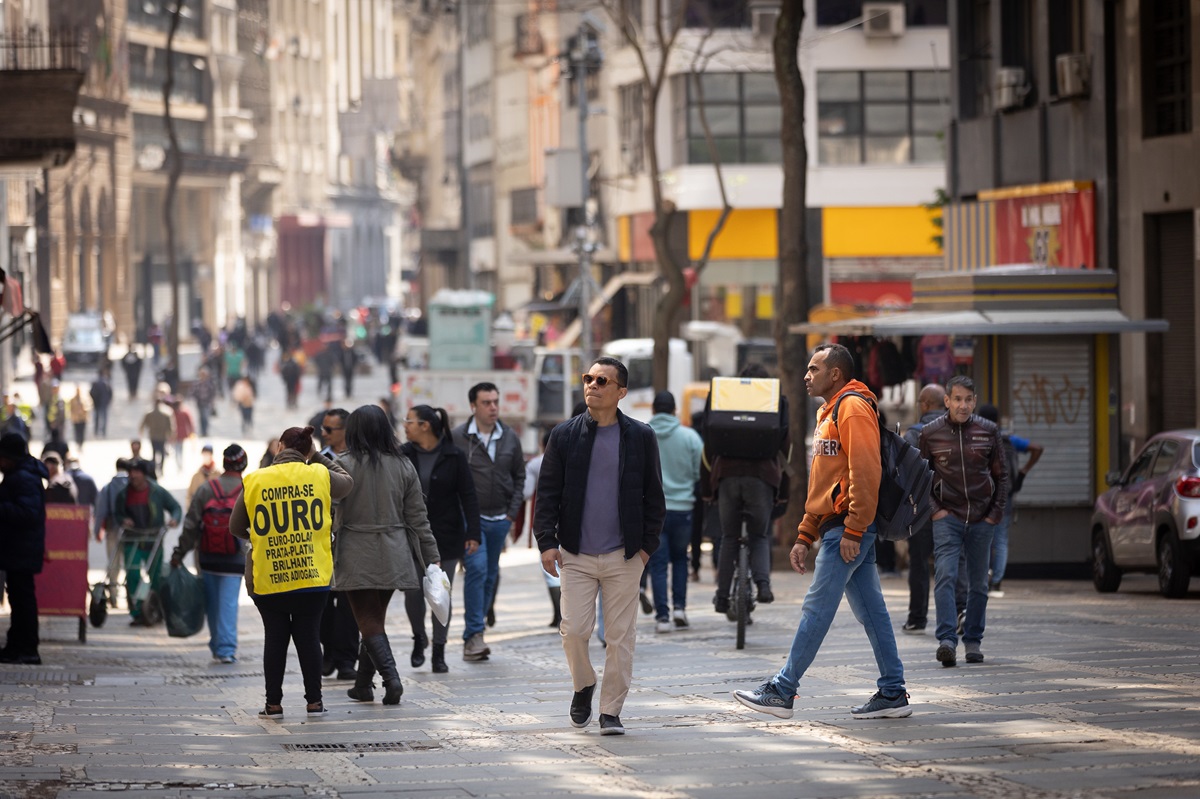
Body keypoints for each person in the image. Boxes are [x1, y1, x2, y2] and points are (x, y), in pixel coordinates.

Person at [733, 343, 910, 721]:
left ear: (835, 374)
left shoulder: (852, 407)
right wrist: (804, 534)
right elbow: (824, 480)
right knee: (873, 613)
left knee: (817, 608)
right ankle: (893, 691)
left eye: (814, 369)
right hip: (837, 526)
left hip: (847, 529)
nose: (805, 376)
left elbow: (866, 471)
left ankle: (782, 689)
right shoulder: (828, 412)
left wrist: (854, 527)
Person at [535, 356, 665, 736]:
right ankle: (583, 684)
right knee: (574, 630)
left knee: (620, 637)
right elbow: (547, 493)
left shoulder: (641, 436)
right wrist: (547, 542)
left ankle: (610, 710)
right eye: (589, 378)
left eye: (602, 381)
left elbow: (654, 498)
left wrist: (645, 550)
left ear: (621, 392)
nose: (592, 385)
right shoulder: (563, 435)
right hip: (575, 554)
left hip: (625, 555)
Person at [228, 426, 353, 718]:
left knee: (275, 639)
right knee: (309, 637)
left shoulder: (255, 480)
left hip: (269, 577)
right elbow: (347, 483)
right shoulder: (319, 474)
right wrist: (317, 457)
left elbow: (235, 527)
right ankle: (314, 702)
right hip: (312, 575)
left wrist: (264, 536)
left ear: (280, 446)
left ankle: (273, 704)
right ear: (307, 449)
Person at [334, 407, 439, 705]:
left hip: (356, 550)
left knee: (366, 619)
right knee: (375, 619)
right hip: (395, 551)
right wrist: (432, 556)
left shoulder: (342, 466)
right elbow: (419, 517)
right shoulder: (403, 465)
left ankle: (392, 681)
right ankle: (363, 685)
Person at [919, 375, 1009, 667]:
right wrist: (935, 509)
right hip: (947, 516)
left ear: (974, 401)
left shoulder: (988, 431)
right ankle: (947, 639)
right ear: (946, 401)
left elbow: (1001, 476)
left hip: (982, 518)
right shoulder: (931, 433)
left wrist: (994, 514)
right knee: (945, 575)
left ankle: (973, 640)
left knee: (979, 584)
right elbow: (921, 478)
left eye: (968, 399)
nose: (962, 405)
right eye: (957, 399)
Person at [400, 405, 480, 674]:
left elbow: (468, 495)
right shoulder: (403, 454)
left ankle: (439, 651)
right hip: (410, 536)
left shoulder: (453, 455)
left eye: (409, 421)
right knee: (412, 591)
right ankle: (418, 636)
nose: (404, 425)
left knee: (440, 594)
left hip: (446, 536)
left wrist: (473, 533)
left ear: (425, 425)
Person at [706, 363, 789, 615]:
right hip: (762, 477)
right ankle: (763, 586)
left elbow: (708, 440)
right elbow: (786, 447)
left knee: (729, 537)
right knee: (759, 535)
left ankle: (722, 597)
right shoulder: (777, 400)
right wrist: (782, 491)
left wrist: (709, 487)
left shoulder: (724, 396)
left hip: (727, 475)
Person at [451, 382, 525, 661]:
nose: (493, 407)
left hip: (500, 520)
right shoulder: (459, 438)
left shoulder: (509, 437)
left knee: (491, 576)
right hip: (472, 521)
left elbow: (519, 476)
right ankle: (473, 636)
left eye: (496, 401)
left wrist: (510, 513)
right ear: (473, 406)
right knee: (478, 571)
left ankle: (477, 630)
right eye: (486, 402)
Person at [170, 445, 249, 663]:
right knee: (228, 603)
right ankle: (225, 648)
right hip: (236, 557)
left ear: (224, 463)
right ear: (244, 464)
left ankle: (217, 645)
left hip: (207, 556)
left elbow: (191, 524)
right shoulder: (248, 489)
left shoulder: (207, 488)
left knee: (212, 603)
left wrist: (179, 553)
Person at [647, 390, 703, 633]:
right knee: (681, 559)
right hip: (684, 509)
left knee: (658, 563)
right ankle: (679, 608)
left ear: (653, 410)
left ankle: (662, 617)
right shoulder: (689, 437)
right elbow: (699, 471)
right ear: (673, 411)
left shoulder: (642, 434)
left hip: (654, 511)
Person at [976, 404, 1043, 597]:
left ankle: (984, 578)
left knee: (982, 537)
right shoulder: (1009, 440)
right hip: (1005, 494)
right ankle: (997, 582)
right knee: (1001, 539)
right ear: (997, 420)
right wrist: (1023, 472)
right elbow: (1037, 448)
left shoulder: (977, 438)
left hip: (983, 495)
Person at [316, 408, 360, 681]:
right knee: (320, 601)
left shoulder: (358, 460)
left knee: (348, 604)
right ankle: (328, 652)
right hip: (321, 541)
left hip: (351, 540)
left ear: (345, 431)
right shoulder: (318, 461)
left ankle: (346, 659)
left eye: (329, 429)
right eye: (323, 428)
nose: (324, 433)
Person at [900, 384, 946, 635]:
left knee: (918, 563)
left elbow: (905, 474)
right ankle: (959, 613)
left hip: (921, 510)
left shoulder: (914, 434)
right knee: (951, 562)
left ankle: (918, 618)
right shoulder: (956, 430)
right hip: (954, 509)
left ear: (926, 404)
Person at [114, 459, 182, 625]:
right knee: (133, 573)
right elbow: (117, 513)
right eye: (131, 472)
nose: (133, 476)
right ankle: (137, 612)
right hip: (132, 539)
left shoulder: (157, 491)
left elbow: (175, 507)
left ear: (144, 474)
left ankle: (156, 609)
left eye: (137, 472)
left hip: (153, 540)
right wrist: (124, 520)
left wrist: (174, 519)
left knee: (156, 576)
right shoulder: (123, 494)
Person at [0, 433, 49, 664]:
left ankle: (27, 648)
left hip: (22, 549)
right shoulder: (19, 475)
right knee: (18, 599)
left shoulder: (23, 478)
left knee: (23, 599)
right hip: (17, 548)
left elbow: (28, 513)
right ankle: (16, 646)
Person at [93, 458, 132, 605]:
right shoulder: (132, 486)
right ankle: (131, 595)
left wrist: (97, 531)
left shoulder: (107, 488)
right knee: (130, 563)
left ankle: (114, 596)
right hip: (130, 532)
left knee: (114, 563)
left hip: (112, 531)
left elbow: (100, 512)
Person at [139, 399, 175, 476]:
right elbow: (171, 425)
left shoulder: (150, 412)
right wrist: (172, 434)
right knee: (162, 453)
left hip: (153, 436)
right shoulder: (166, 412)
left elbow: (143, 423)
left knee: (154, 453)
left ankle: (154, 469)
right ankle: (161, 469)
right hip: (162, 436)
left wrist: (141, 431)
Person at [190, 366, 218, 439]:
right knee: (201, 417)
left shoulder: (209, 383)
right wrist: (195, 398)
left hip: (207, 402)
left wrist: (212, 401)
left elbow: (213, 392)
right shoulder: (197, 383)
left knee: (205, 417)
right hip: (199, 403)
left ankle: (205, 431)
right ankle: (202, 431)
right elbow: (193, 392)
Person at [170, 399, 194, 469]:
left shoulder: (173, 412)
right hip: (181, 433)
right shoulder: (184, 412)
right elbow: (190, 423)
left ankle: (179, 463)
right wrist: (191, 431)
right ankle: (180, 463)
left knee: (177, 448)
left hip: (175, 433)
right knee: (180, 448)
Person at [90, 370, 113, 438]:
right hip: (103, 403)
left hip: (97, 403)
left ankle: (96, 431)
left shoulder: (95, 383)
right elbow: (110, 392)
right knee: (104, 418)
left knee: (96, 418)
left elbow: (91, 392)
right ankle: (103, 432)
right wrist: (108, 400)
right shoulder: (106, 382)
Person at [68, 385, 89, 451]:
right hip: (76, 419)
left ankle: (81, 442)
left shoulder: (84, 399)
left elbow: (88, 406)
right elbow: (70, 408)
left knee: (82, 431)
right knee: (77, 431)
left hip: (83, 418)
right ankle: (77, 442)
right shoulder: (72, 400)